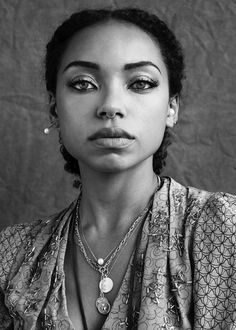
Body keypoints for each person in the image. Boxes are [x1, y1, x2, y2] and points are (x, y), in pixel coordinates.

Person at [0, 8, 235, 330]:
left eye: (140, 82)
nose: (111, 105)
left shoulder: (224, 230)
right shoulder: (11, 255)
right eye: (83, 84)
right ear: (54, 107)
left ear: (171, 107)